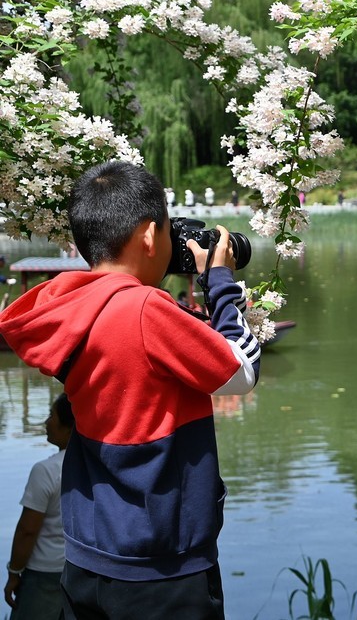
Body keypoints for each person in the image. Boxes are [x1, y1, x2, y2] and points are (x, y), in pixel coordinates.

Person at [0, 161, 262, 620]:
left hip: (87, 557)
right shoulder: (143, 309)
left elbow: (137, 358)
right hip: (161, 567)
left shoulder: (70, 306)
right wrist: (218, 280)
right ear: (147, 236)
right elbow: (239, 371)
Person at [5, 393, 74, 620]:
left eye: (51, 415)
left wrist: (14, 572)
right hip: (80, 569)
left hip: (44, 573)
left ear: (68, 427)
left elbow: (28, 529)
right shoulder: (95, 466)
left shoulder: (46, 470)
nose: (46, 422)